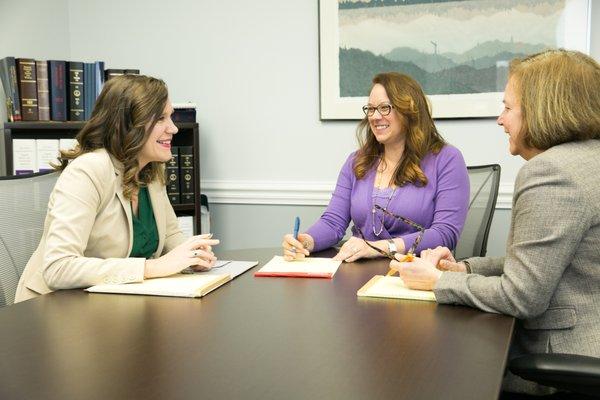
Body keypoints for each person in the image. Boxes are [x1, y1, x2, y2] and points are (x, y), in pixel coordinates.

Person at [390, 49, 600, 395]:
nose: (501, 120)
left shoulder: (551, 173)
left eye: (508, 107)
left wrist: (439, 281)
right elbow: (540, 263)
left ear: (541, 110)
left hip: (565, 362)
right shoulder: (587, 159)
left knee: (433, 371)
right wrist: (467, 269)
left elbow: (522, 296)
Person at [15, 75, 218, 302]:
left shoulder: (149, 171)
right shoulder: (87, 171)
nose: (174, 128)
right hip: (53, 309)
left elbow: (171, 235)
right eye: (161, 118)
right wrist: (153, 267)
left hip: (111, 304)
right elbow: (58, 267)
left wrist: (194, 257)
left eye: (170, 117)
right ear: (129, 124)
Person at [282, 72, 469, 262]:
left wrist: (379, 248)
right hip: (357, 274)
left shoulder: (447, 159)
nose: (375, 116)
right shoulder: (357, 161)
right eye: (370, 109)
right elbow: (333, 222)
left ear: (410, 111)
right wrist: (305, 242)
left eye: (384, 108)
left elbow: (445, 233)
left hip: (416, 274)